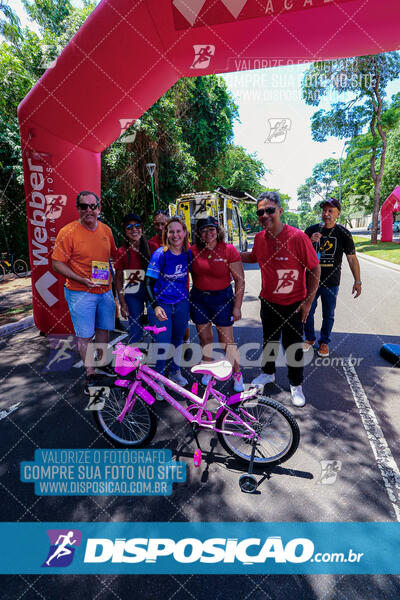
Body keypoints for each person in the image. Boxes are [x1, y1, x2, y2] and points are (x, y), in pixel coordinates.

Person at [240, 191, 321, 407]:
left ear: (280, 211)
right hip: (268, 302)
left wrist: (308, 303)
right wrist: (230, 253)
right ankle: (268, 373)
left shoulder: (298, 237)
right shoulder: (259, 238)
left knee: (292, 346)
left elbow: (314, 269)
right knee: (270, 341)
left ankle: (296, 384)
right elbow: (253, 257)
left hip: (294, 305)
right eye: (260, 212)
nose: (264, 215)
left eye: (269, 210)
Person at [52, 191, 117, 393]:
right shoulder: (68, 232)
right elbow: (56, 264)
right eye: (83, 206)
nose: (88, 210)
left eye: (92, 206)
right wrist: (80, 279)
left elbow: (111, 258)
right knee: (85, 335)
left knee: (103, 329)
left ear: (99, 208)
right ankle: (90, 372)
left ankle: (103, 362)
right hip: (80, 292)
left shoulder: (106, 230)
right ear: (78, 209)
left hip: (104, 291)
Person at [190, 216, 245, 392]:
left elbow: (240, 280)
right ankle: (208, 367)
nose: (208, 233)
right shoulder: (192, 251)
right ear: (199, 234)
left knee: (226, 341)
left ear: (218, 230)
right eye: (204, 230)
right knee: (205, 338)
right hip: (199, 299)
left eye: (211, 229)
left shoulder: (228, 250)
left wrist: (237, 306)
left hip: (222, 299)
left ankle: (237, 373)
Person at [304, 197, 362, 357]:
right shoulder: (310, 230)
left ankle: (324, 342)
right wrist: (309, 241)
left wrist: (357, 281)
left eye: (330, 211)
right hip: (310, 281)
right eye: (324, 210)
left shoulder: (343, 233)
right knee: (307, 311)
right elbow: (299, 256)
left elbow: (351, 258)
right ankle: (309, 339)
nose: (326, 214)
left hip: (331, 282)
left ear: (338, 214)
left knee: (328, 314)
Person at [145, 216, 192, 397]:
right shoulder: (160, 254)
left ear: (184, 233)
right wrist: (155, 306)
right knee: (162, 344)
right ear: (166, 234)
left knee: (178, 341)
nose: (175, 235)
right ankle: (158, 381)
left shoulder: (188, 253)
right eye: (171, 231)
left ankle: (175, 372)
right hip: (162, 305)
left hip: (181, 304)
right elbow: (148, 283)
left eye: (178, 231)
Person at [114, 213, 151, 343]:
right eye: (129, 227)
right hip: (133, 288)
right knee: (135, 326)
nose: (134, 229)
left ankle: (160, 358)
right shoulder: (122, 251)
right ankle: (135, 359)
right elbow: (118, 279)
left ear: (142, 227)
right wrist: (123, 304)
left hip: (151, 288)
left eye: (137, 226)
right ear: (125, 231)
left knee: (156, 323)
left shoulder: (152, 247)